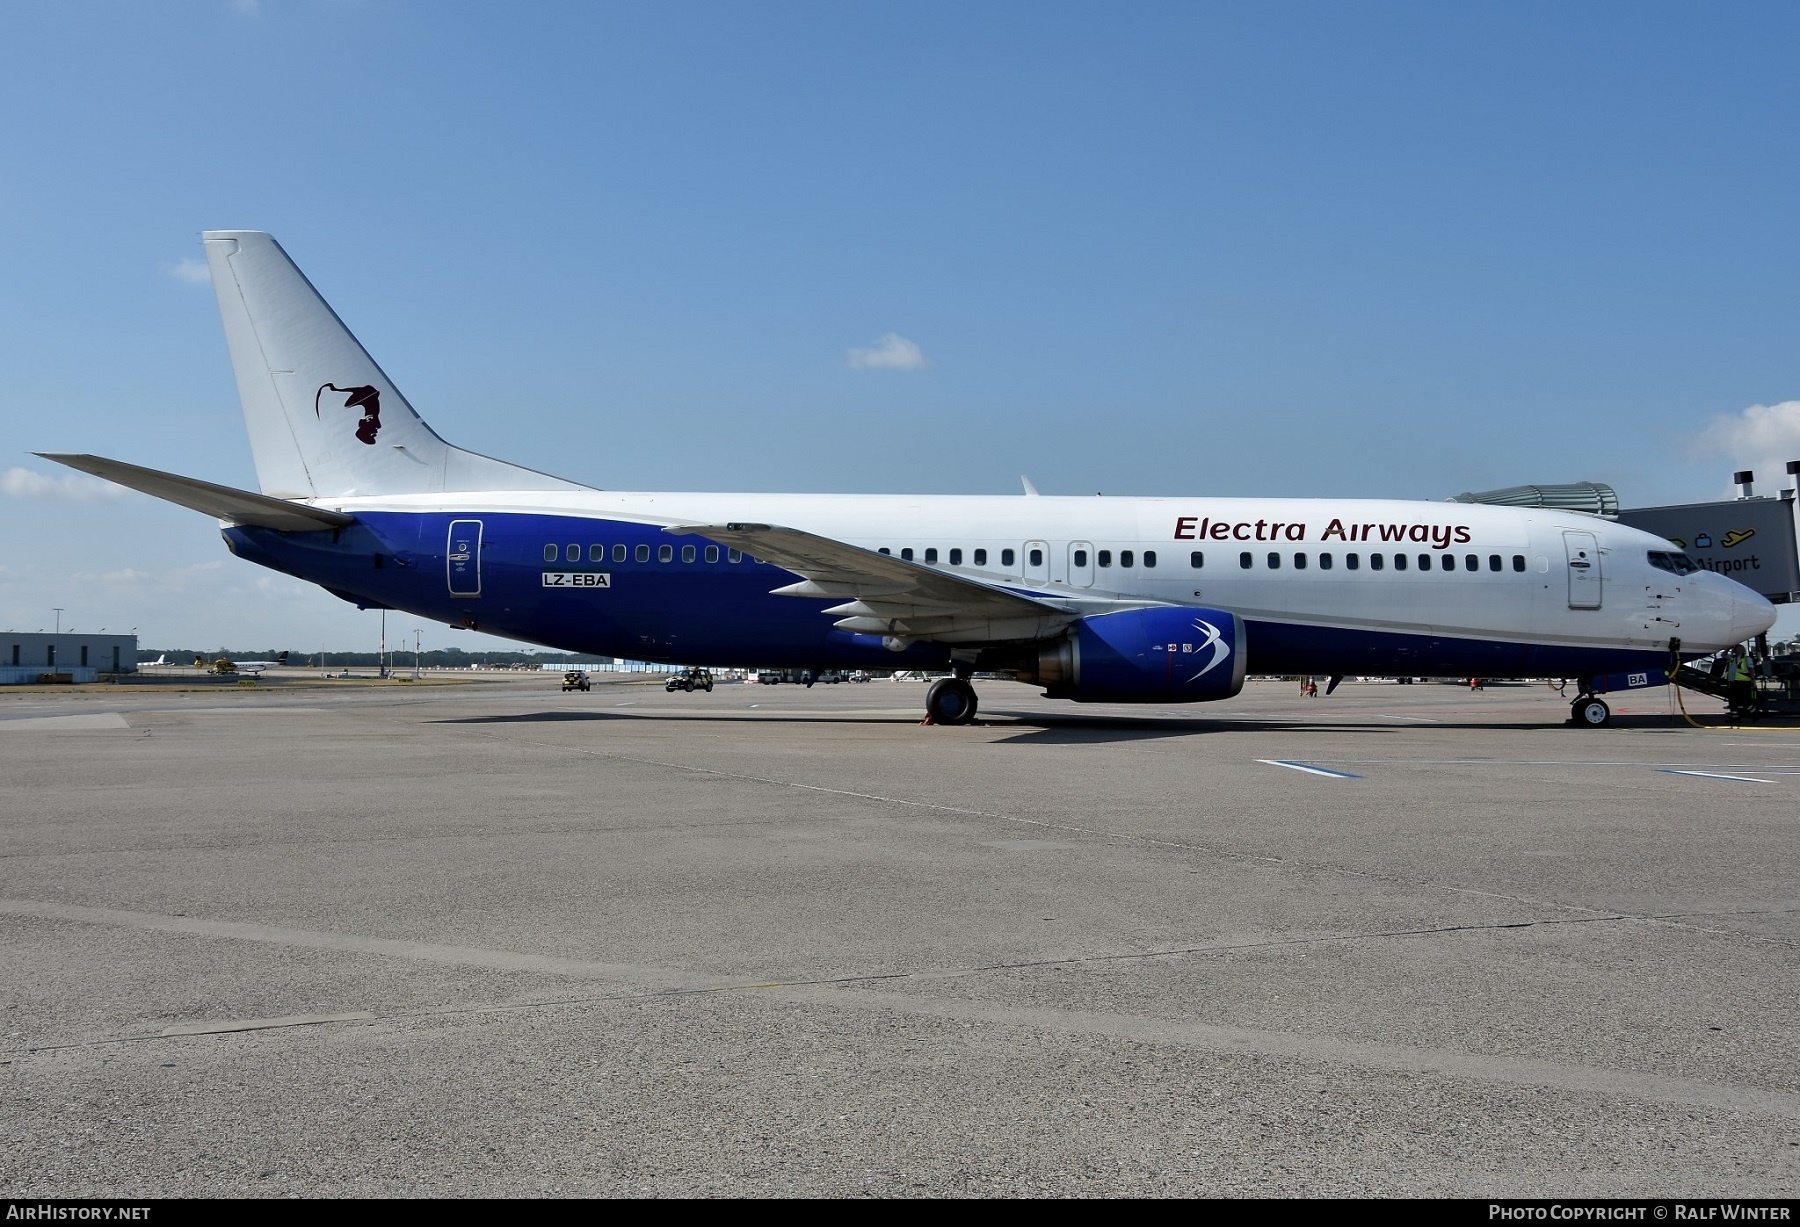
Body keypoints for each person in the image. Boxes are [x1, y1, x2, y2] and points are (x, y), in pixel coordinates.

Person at [1728, 647, 1756, 716]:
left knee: (1745, 702)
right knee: (1732, 701)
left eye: (1737, 648)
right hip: (1734, 682)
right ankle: (1735, 717)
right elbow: (1723, 655)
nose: (1735, 649)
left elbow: (1752, 670)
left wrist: (1753, 680)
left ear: (1741, 650)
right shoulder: (1733, 658)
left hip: (1744, 683)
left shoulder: (1747, 659)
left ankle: (1755, 713)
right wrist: (1729, 648)